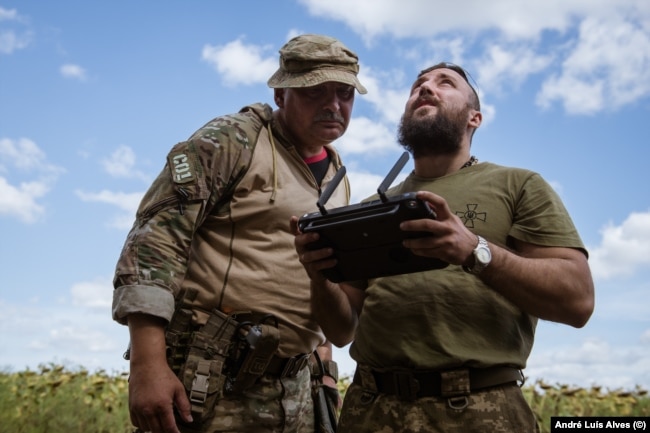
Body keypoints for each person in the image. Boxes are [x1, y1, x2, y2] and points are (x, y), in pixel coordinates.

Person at [292, 62, 595, 433]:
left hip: (480, 409)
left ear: (475, 118)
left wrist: (473, 251)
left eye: (445, 83)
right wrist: (321, 277)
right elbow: (341, 331)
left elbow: (577, 301)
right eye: (418, 84)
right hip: (371, 410)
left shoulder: (518, 185)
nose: (426, 88)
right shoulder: (371, 208)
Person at [112, 33, 367, 433]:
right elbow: (155, 241)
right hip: (211, 381)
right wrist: (147, 367)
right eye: (316, 91)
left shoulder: (337, 175)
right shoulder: (234, 139)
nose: (334, 105)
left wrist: (325, 371)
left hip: (293, 389)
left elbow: (313, 276)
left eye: (345, 93)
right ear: (282, 93)